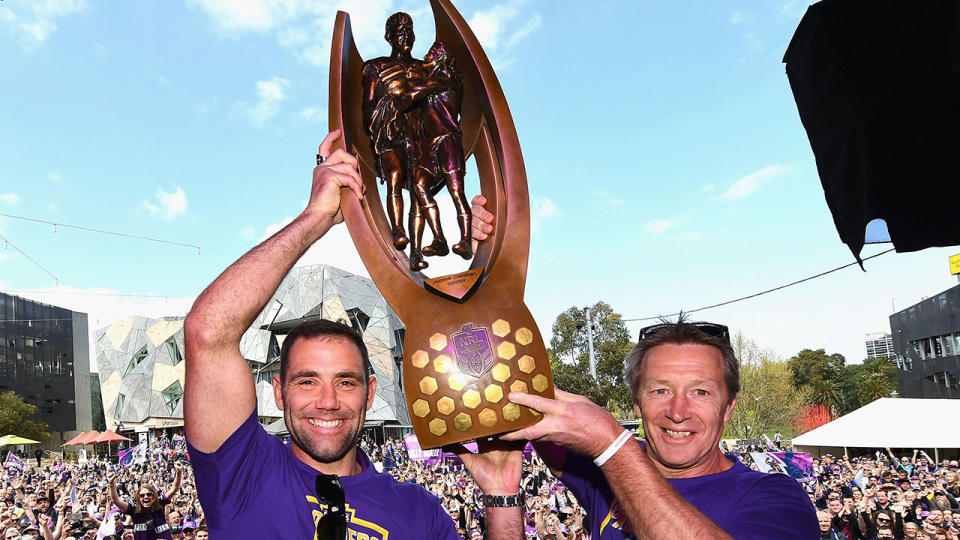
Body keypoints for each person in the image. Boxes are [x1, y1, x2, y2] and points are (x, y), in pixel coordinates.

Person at [183, 129, 523, 538]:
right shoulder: (242, 474)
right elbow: (208, 331)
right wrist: (317, 217)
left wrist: (502, 497)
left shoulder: (420, 513)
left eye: (346, 381)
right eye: (307, 381)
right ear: (278, 391)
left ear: (371, 390)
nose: (328, 402)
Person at [500, 318, 819, 538]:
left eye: (701, 392)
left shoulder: (776, 498)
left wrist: (612, 444)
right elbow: (519, 391)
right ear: (638, 403)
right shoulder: (606, 471)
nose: (678, 412)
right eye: (660, 391)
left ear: (728, 409)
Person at [108, 463, 182, 540]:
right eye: (142, 495)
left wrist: (179, 472)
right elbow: (116, 500)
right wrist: (111, 484)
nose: (146, 497)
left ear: (154, 496)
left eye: (149, 494)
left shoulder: (160, 503)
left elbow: (174, 488)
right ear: (138, 498)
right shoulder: (134, 509)